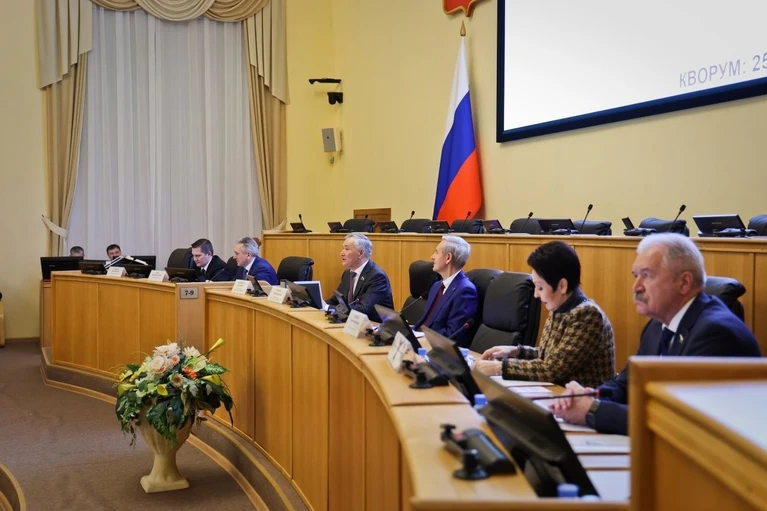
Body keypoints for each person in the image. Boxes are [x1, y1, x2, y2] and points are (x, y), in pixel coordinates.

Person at [550, 233, 762, 435]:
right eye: (635, 276)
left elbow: (680, 420)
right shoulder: (658, 324)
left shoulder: (716, 334)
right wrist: (590, 395)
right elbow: (626, 384)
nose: (636, 287)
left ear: (684, 282)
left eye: (647, 275)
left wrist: (594, 411)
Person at [474, 241, 616, 389]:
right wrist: (516, 351)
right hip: (559, 393)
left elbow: (553, 369)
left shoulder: (587, 315)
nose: (536, 294)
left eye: (540, 288)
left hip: (584, 399)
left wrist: (499, 368)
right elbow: (551, 355)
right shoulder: (559, 306)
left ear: (562, 286)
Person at [413, 235, 478, 347]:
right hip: (419, 343)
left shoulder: (465, 291)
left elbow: (453, 335)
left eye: (436, 252)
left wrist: (422, 339)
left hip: (435, 348)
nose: (432, 257)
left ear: (448, 258)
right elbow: (426, 323)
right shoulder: (436, 286)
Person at [325, 233, 394, 323]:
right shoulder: (348, 274)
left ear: (360, 253)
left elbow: (362, 309)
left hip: (374, 327)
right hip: (353, 323)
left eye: (346, 249)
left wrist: (331, 309)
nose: (341, 253)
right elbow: (335, 300)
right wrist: (321, 305)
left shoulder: (377, 277)